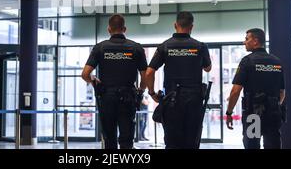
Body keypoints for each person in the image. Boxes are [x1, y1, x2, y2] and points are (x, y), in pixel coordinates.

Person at [146, 11, 212, 149]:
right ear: (191, 27)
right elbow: (208, 68)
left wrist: (152, 93)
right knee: (191, 143)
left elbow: (149, 72)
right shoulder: (200, 46)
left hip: (172, 101)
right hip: (194, 101)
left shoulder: (165, 46)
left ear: (175, 25)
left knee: (172, 143)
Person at [81, 14, 147, 149]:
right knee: (127, 139)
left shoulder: (100, 48)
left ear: (109, 29)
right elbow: (145, 76)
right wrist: (141, 90)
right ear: (125, 29)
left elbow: (85, 74)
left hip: (107, 98)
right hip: (128, 97)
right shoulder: (136, 48)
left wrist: (94, 80)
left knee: (109, 139)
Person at [225, 28, 285, 149]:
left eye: (247, 39)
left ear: (255, 41)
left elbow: (235, 91)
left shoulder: (247, 61)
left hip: (253, 114)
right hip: (273, 113)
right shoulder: (277, 62)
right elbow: (282, 92)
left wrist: (229, 112)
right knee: (273, 145)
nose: (244, 42)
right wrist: (273, 105)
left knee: (252, 145)